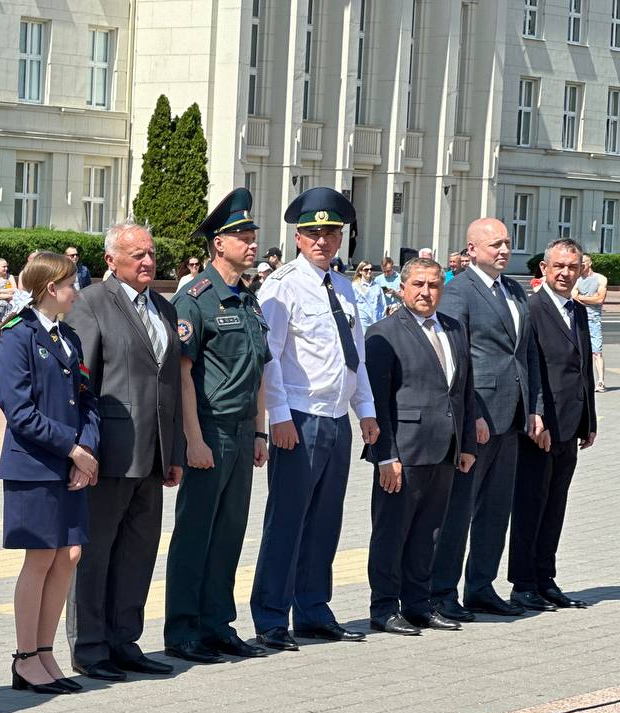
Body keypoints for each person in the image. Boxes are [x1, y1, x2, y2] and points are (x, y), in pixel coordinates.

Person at [250, 188, 379, 651]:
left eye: (330, 233)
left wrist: (365, 410)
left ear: (340, 238)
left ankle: (312, 609)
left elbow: (356, 357)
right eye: (312, 233)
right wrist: (277, 416)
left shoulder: (343, 287)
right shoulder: (281, 286)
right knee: (287, 520)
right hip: (299, 418)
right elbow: (270, 358)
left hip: (335, 418)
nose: (322, 241)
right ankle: (270, 617)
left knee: (326, 520)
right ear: (298, 238)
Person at [63, 223, 182, 681]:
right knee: (96, 554)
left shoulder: (164, 309)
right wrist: (82, 448)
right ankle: (90, 647)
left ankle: (124, 639)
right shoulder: (92, 303)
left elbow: (168, 382)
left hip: (153, 453)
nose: (147, 262)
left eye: (150, 253)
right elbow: (81, 383)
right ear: (111, 260)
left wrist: (175, 450)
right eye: (136, 255)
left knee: (138, 551)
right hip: (108, 452)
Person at [165, 189, 270, 663]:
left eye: (252, 234)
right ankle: (183, 630)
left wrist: (261, 430)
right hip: (209, 430)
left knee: (229, 532)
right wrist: (193, 439)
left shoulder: (248, 300)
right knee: (195, 533)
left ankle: (217, 624)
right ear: (217, 245)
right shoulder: (196, 298)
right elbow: (183, 375)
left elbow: (261, 369)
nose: (251, 243)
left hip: (243, 430)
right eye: (241, 236)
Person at [430, 218, 545, 622]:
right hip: (477, 417)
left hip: (512, 417)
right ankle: (441, 592)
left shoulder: (514, 290)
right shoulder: (458, 291)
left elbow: (526, 355)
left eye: (507, 242)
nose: (503, 250)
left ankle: (481, 587)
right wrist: (471, 412)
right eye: (495, 243)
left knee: (496, 510)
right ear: (472, 249)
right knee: (458, 509)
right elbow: (454, 358)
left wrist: (535, 407)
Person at [0, 251, 100, 694]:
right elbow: (18, 411)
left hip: (69, 462)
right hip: (35, 464)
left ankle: (44, 651)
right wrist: (73, 449)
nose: (75, 291)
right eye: (70, 284)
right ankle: (24, 658)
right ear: (49, 289)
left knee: (68, 555)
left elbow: (87, 400)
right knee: (40, 556)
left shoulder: (68, 337)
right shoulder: (17, 336)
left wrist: (88, 449)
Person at [364, 258, 477, 635]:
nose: (426, 292)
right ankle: (383, 607)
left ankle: (418, 605)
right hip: (404, 452)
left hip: (444, 448)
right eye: (419, 285)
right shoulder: (384, 332)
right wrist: (386, 455)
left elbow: (463, 389)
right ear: (402, 287)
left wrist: (464, 443)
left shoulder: (453, 328)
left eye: (433, 285)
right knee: (391, 532)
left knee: (429, 532)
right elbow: (377, 402)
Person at [508, 238, 598, 612]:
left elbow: (581, 369)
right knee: (531, 504)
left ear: (580, 270)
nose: (565, 273)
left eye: (572, 267)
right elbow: (528, 369)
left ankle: (546, 577)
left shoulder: (576, 310)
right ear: (543, 269)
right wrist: (536, 417)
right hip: (541, 427)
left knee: (555, 505)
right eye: (558, 266)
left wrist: (589, 419)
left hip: (571, 424)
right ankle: (523, 583)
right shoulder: (532, 309)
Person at [573, 255, 607, 392]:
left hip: (594, 320)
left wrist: (581, 297)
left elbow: (600, 300)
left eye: (583, 263)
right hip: (579, 318)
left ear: (590, 263)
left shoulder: (600, 278)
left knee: (596, 352)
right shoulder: (576, 280)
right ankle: (580, 381)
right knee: (577, 351)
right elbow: (573, 297)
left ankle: (601, 381)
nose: (581, 266)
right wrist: (589, 299)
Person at [352, 260, 387, 330]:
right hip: (362, 321)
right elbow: (351, 304)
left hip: (375, 320)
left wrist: (383, 319)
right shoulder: (355, 286)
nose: (369, 271)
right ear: (360, 271)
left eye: (371, 269)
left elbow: (383, 304)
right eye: (366, 270)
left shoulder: (377, 286)